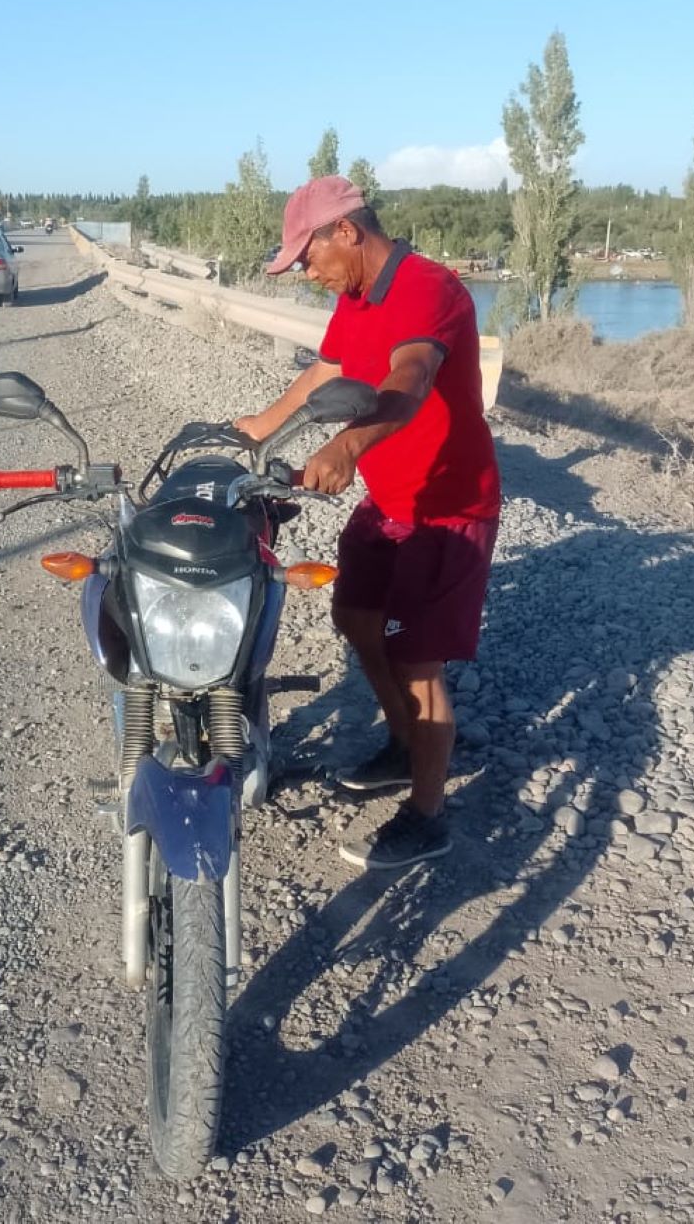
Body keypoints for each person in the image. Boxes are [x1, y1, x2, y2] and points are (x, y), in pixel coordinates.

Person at [233, 176, 501, 869]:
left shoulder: (427, 290)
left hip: (447, 506)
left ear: (345, 232)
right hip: (390, 500)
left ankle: (427, 812)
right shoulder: (355, 298)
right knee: (354, 614)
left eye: (308, 258)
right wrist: (256, 432)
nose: (306, 273)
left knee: (417, 660)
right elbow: (323, 375)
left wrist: (346, 445)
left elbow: (407, 382)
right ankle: (404, 742)